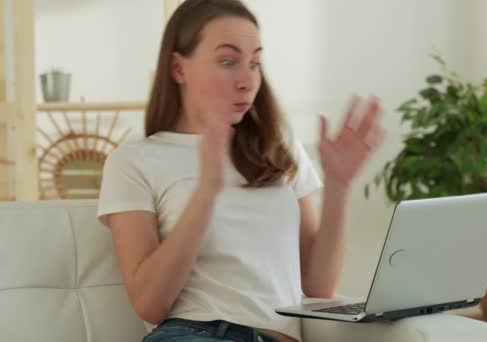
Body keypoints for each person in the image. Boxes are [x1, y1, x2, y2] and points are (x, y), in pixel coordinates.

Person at [97, 0, 384, 341]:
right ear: (178, 68)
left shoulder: (277, 149)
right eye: (228, 61)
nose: (248, 80)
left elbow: (318, 285)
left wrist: (338, 186)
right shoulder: (134, 161)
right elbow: (149, 303)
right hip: (192, 332)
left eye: (255, 63)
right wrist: (206, 193)